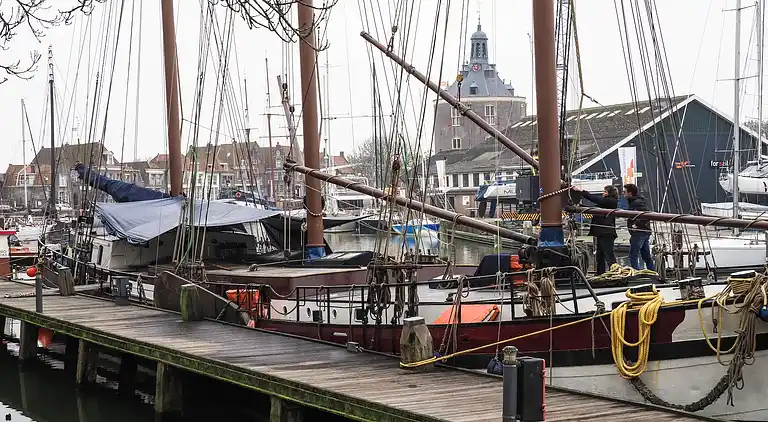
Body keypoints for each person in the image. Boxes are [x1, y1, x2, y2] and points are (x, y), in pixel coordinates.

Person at [573, 185, 618, 274]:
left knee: (609, 256)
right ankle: (600, 274)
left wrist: (582, 191)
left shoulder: (611, 201)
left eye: (605, 191)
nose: (603, 193)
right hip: (602, 233)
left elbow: (595, 199)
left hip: (606, 232)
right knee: (600, 255)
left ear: (609, 193)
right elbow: (594, 208)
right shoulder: (606, 203)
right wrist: (578, 206)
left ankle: (616, 273)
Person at [623, 183, 655, 271]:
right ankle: (652, 272)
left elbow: (647, 215)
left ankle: (636, 274)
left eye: (624, 192)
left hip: (639, 232)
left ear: (630, 193)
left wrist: (636, 225)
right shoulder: (636, 201)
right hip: (643, 231)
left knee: (633, 255)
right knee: (646, 255)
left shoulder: (637, 202)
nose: (623, 193)